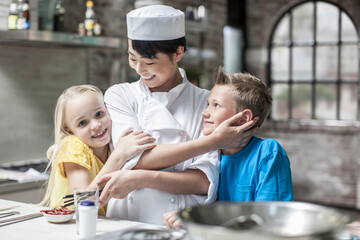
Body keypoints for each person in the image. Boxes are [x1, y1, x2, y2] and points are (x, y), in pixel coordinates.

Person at [97, 5, 258, 225]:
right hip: (126, 219)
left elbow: (203, 181)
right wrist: (212, 141)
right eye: (133, 59)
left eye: (150, 62)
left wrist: (137, 176)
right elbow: (133, 161)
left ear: (178, 53)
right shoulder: (121, 95)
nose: (140, 70)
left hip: (178, 223)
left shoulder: (206, 101)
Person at [164, 67, 294, 228]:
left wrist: (195, 219)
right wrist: (187, 217)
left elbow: (270, 219)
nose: (205, 112)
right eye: (207, 104)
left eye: (216, 105)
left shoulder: (267, 153)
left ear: (243, 118)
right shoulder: (209, 154)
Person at [39, 85, 156, 216]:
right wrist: (118, 156)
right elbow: (84, 202)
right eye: (82, 123)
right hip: (70, 229)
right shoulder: (73, 147)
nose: (96, 125)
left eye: (99, 114)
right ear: (69, 131)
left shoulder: (113, 145)